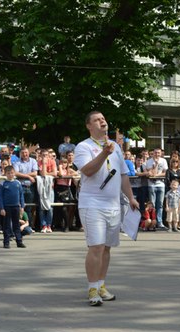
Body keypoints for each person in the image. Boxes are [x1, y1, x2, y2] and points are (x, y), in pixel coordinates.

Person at [73, 111, 139, 307]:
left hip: (113, 205)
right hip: (92, 204)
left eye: (103, 119)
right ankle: (92, 288)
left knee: (107, 248)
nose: (102, 122)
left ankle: (101, 285)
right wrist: (104, 153)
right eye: (97, 120)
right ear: (89, 126)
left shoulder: (116, 147)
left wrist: (131, 197)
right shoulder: (83, 146)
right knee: (96, 247)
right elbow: (87, 170)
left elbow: (123, 175)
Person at [0, 165, 26, 248]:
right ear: (5, 174)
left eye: (12, 173)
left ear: (14, 173)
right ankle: (6, 242)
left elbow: (21, 195)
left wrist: (22, 206)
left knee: (16, 224)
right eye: (8, 173)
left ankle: (19, 241)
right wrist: (2, 208)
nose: (10, 175)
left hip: (16, 207)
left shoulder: (17, 183)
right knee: (6, 225)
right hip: (7, 207)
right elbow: (0, 197)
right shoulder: (3, 183)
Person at [13, 147, 39, 230]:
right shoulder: (16, 162)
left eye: (26, 152)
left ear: (28, 153)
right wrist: (28, 176)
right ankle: (18, 226)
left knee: (29, 208)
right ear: (20, 154)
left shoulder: (33, 161)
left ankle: (28, 226)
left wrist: (24, 175)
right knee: (19, 207)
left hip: (30, 187)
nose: (25, 154)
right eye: (23, 153)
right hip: (20, 187)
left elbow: (35, 173)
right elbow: (16, 173)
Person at [145, 148, 168, 229]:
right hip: (152, 185)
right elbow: (150, 173)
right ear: (153, 153)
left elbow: (165, 173)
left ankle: (159, 222)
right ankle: (153, 222)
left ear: (161, 153)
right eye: (155, 153)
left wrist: (156, 175)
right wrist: (155, 165)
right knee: (152, 204)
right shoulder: (149, 161)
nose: (157, 154)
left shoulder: (164, 161)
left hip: (161, 184)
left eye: (158, 153)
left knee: (160, 204)